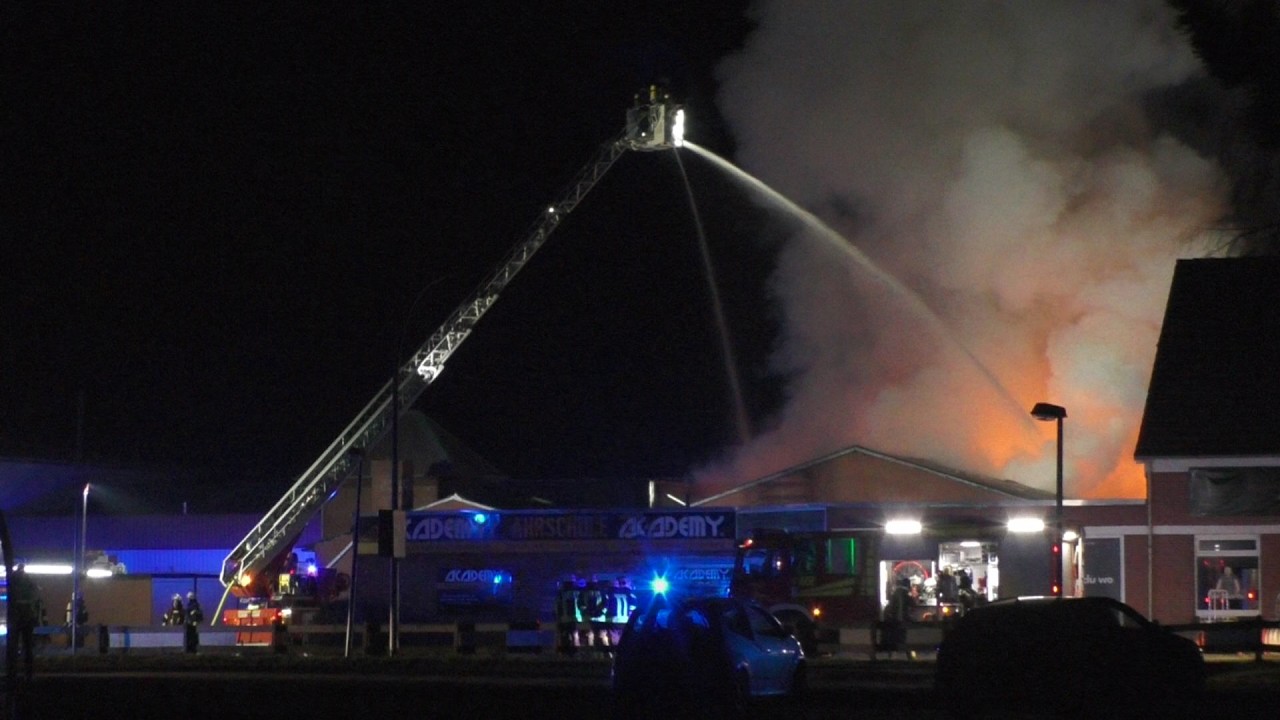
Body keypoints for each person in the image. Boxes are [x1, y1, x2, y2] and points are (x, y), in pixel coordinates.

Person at [8, 564, 41, 680]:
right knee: (28, 646)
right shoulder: (29, 582)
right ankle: (28, 673)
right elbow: (36, 594)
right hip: (27, 618)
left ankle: (13, 672)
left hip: (16, 618)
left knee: (14, 645)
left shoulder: (13, 582)